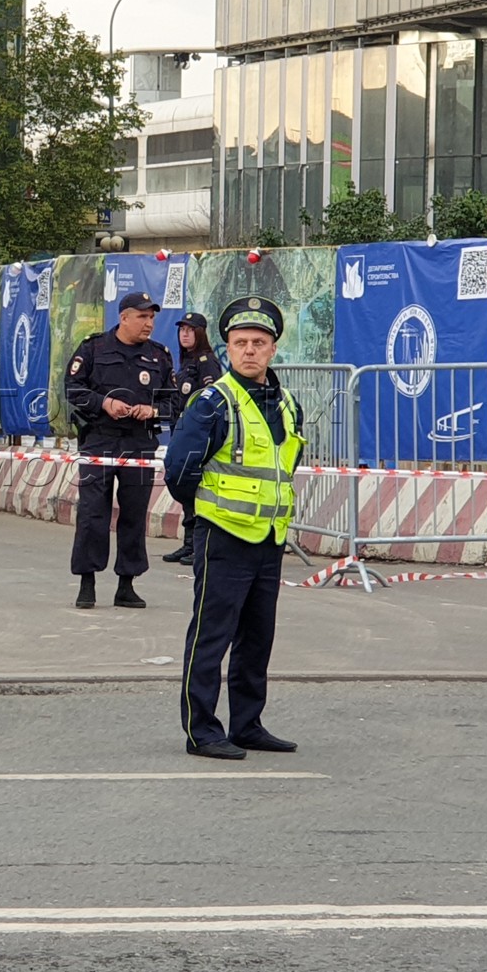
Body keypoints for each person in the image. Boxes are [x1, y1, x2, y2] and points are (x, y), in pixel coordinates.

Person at [165, 296, 303, 760]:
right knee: (211, 635)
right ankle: (201, 730)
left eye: (258, 343)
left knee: (256, 639)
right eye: (240, 342)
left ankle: (247, 724)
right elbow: (179, 469)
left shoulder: (286, 404)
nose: (249, 350)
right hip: (223, 536)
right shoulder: (213, 401)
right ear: (227, 347)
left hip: (269, 539)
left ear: (273, 349)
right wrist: (205, 511)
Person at [64, 291, 175, 609]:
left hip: (139, 443)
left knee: (134, 514)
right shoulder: (94, 348)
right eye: (142, 316)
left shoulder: (159, 356)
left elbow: (174, 401)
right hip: (100, 439)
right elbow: (72, 388)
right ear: (124, 317)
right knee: (92, 513)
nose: (149, 323)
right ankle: (88, 582)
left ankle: (127, 584)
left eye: (152, 316)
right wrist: (104, 403)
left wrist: (152, 411)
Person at [162, 311, 224, 567]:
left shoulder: (206, 361)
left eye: (190, 329)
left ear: (200, 333)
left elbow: (211, 399)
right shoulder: (185, 362)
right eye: (181, 329)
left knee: (198, 492)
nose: (184, 333)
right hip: (181, 432)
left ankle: (200, 546)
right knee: (186, 491)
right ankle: (189, 543)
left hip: (198, 437)